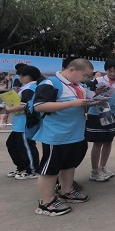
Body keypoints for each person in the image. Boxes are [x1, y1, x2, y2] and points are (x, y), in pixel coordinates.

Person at [33, 58, 96, 216]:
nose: (85, 79)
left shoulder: (77, 86)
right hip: (56, 135)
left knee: (69, 165)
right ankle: (46, 202)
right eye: (84, 75)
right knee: (50, 169)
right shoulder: (51, 84)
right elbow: (39, 106)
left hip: (75, 134)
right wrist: (71, 104)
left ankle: (67, 191)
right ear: (72, 69)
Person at [85, 58, 115, 182]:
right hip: (96, 114)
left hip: (113, 113)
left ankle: (102, 167)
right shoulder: (98, 80)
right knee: (97, 142)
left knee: (108, 141)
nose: (113, 74)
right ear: (106, 70)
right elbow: (88, 95)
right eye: (110, 71)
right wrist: (96, 94)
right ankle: (94, 171)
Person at [4, 65, 43, 180]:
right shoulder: (27, 87)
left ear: (27, 77)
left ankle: (33, 170)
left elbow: (24, 105)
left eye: (20, 75)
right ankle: (22, 167)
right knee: (12, 144)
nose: (18, 78)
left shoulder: (30, 88)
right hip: (19, 123)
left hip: (24, 123)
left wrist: (9, 108)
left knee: (26, 146)